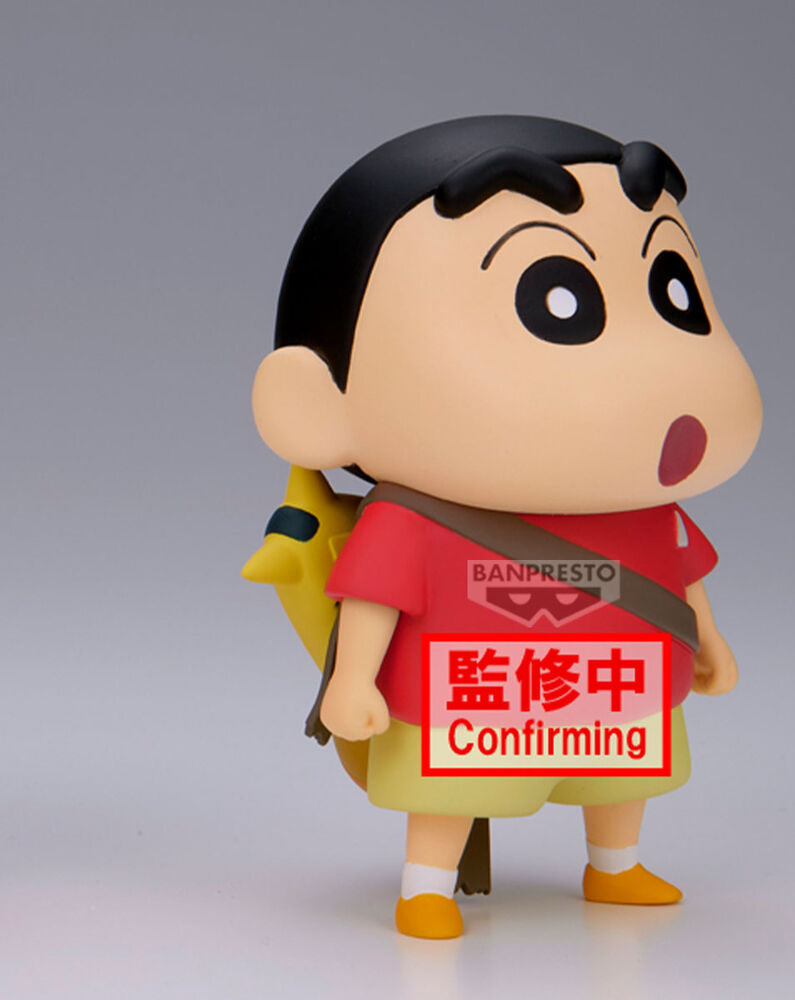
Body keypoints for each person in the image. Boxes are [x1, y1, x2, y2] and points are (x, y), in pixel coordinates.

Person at [252, 115, 762, 938]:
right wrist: (353, 682)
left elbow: (679, 575)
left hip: (620, 683)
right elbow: (374, 598)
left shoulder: (646, 512)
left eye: (674, 292)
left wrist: (708, 638)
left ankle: (615, 866)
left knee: (619, 776)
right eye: (557, 305)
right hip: (472, 693)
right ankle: (426, 885)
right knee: (453, 785)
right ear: (316, 403)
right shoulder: (414, 520)